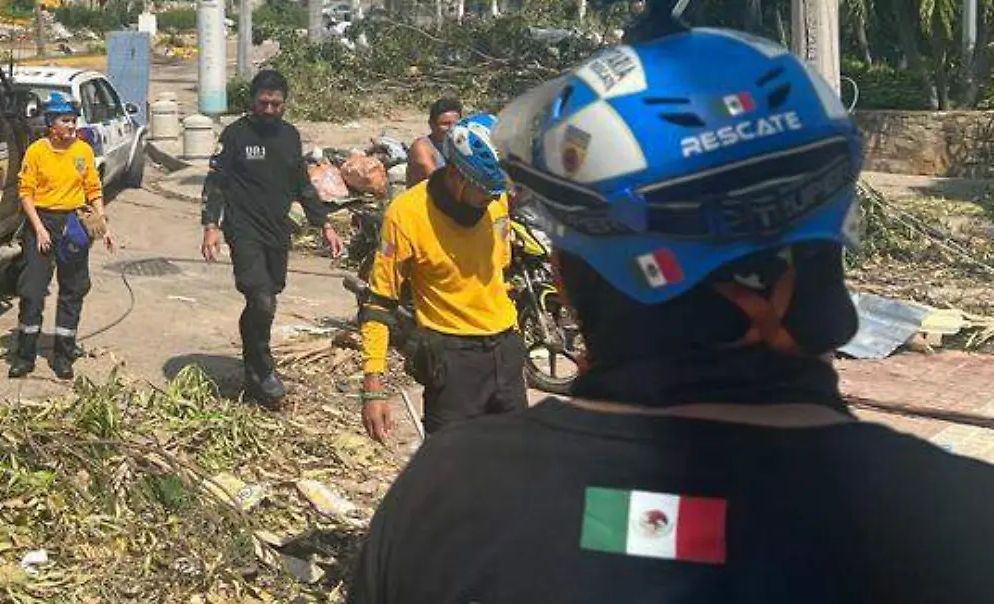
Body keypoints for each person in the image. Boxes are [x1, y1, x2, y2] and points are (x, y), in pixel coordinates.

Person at [348, 30, 994, 602]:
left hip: (500, 353)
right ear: (821, 262)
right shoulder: (956, 517)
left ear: (567, 282)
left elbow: (639, 526)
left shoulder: (457, 495)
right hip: (455, 356)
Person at [358, 118, 524, 441]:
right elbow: (378, 304)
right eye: (485, 192)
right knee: (452, 476)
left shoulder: (496, 199)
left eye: (496, 193)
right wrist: (372, 389)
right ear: (456, 175)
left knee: (514, 471)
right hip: (453, 365)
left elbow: (499, 265)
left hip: (505, 351)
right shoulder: (406, 215)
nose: (492, 200)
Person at [201, 68, 344, 408]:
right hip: (243, 229)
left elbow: (302, 185)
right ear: (252, 101)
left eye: (276, 104)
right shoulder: (235, 135)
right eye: (263, 103)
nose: (269, 110)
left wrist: (323, 224)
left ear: (284, 105)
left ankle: (253, 365)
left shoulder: (290, 136)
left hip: (277, 231)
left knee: (267, 298)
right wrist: (211, 225)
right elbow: (215, 182)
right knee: (260, 298)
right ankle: (263, 371)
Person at [10, 94, 114, 380]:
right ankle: (25, 355)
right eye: (65, 121)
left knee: (73, 288)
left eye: (73, 121)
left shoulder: (83, 150)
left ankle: (63, 354)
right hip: (41, 221)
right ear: (51, 124)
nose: (71, 126)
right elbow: (25, 193)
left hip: (72, 222)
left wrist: (102, 223)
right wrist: (40, 229)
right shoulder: (36, 151)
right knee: (31, 290)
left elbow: (93, 189)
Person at [402, 96, 463, 187]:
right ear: (431, 124)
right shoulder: (422, 147)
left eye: (456, 124)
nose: (451, 129)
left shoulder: (460, 145)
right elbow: (436, 181)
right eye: (445, 124)